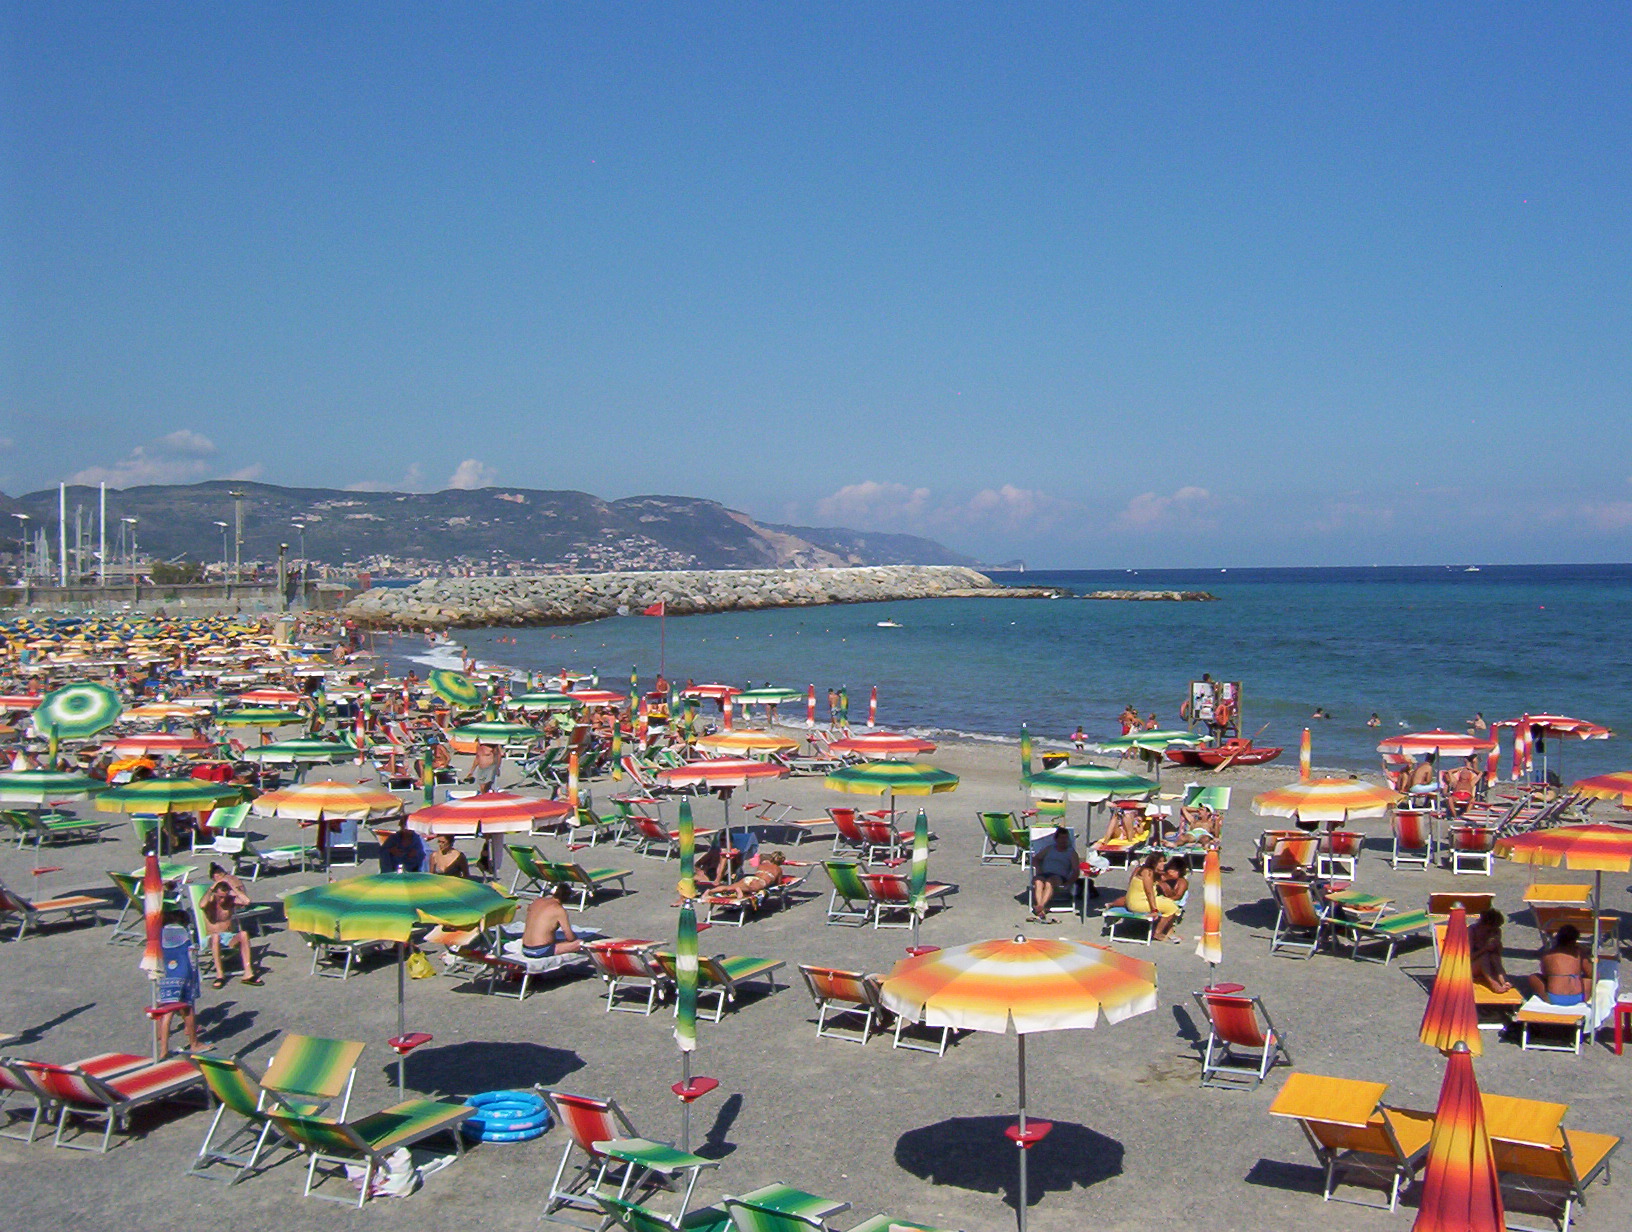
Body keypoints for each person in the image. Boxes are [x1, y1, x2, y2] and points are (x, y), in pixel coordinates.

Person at [155, 908, 208, 1055]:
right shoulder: (182, 932)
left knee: (167, 1011)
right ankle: (194, 1043)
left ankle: (163, 1050)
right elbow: (190, 953)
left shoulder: (161, 933)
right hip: (183, 972)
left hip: (167, 974)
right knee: (188, 1008)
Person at [200, 863, 260, 987]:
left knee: (243, 934)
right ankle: (220, 975)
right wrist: (212, 888)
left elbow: (247, 901)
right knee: (216, 936)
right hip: (211, 939)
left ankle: (248, 973)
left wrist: (233, 886)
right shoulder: (210, 902)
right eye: (220, 897)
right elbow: (201, 905)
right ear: (215, 893)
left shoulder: (230, 900)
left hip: (228, 937)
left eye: (224, 896)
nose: (222, 900)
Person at [1122, 854, 1182, 943]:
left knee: (1170, 903)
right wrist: (1154, 910)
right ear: (1154, 863)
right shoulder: (1147, 872)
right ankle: (1158, 933)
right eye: (1160, 862)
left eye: (1164, 862)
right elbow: (1149, 892)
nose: (1163, 864)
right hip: (1138, 903)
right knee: (1172, 908)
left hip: (1137, 900)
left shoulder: (1148, 871)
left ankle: (1169, 931)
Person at [1527, 924, 1593, 1005]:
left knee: (1533, 977)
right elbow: (1592, 974)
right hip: (1579, 997)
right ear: (1575, 940)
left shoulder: (1548, 954)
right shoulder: (1579, 952)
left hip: (1554, 998)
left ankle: (1546, 998)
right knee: (1589, 979)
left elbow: (1546, 976)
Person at [1030, 827, 1080, 924]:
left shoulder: (1071, 853)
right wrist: (1039, 868)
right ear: (1056, 839)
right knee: (1038, 882)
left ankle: (1040, 906)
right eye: (1061, 838)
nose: (1063, 841)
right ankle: (1041, 908)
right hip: (1044, 873)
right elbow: (1036, 859)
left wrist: (1069, 883)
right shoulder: (1049, 848)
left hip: (1059, 876)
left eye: (1065, 838)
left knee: (1049, 882)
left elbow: (1076, 870)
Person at [708, 850, 788, 902]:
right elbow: (778, 883)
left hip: (750, 878)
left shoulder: (763, 864)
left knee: (730, 886)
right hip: (759, 882)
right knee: (748, 889)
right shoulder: (778, 869)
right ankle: (739, 891)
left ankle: (709, 891)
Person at [519, 894, 583, 959]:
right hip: (540, 951)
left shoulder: (536, 901)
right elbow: (570, 938)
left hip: (525, 949)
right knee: (578, 944)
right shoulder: (559, 909)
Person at [1469, 909, 1512, 993]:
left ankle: (1503, 981)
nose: (1491, 931)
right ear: (1483, 925)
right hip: (1470, 967)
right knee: (1484, 957)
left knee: (1494, 956)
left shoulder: (1496, 931)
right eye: (1490, 929)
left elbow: (1498, 957)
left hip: (1489, 967)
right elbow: (1467, 957)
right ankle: (1493, 983)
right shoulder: (1471, 931)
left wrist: (1498, 946)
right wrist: (1485, 948)